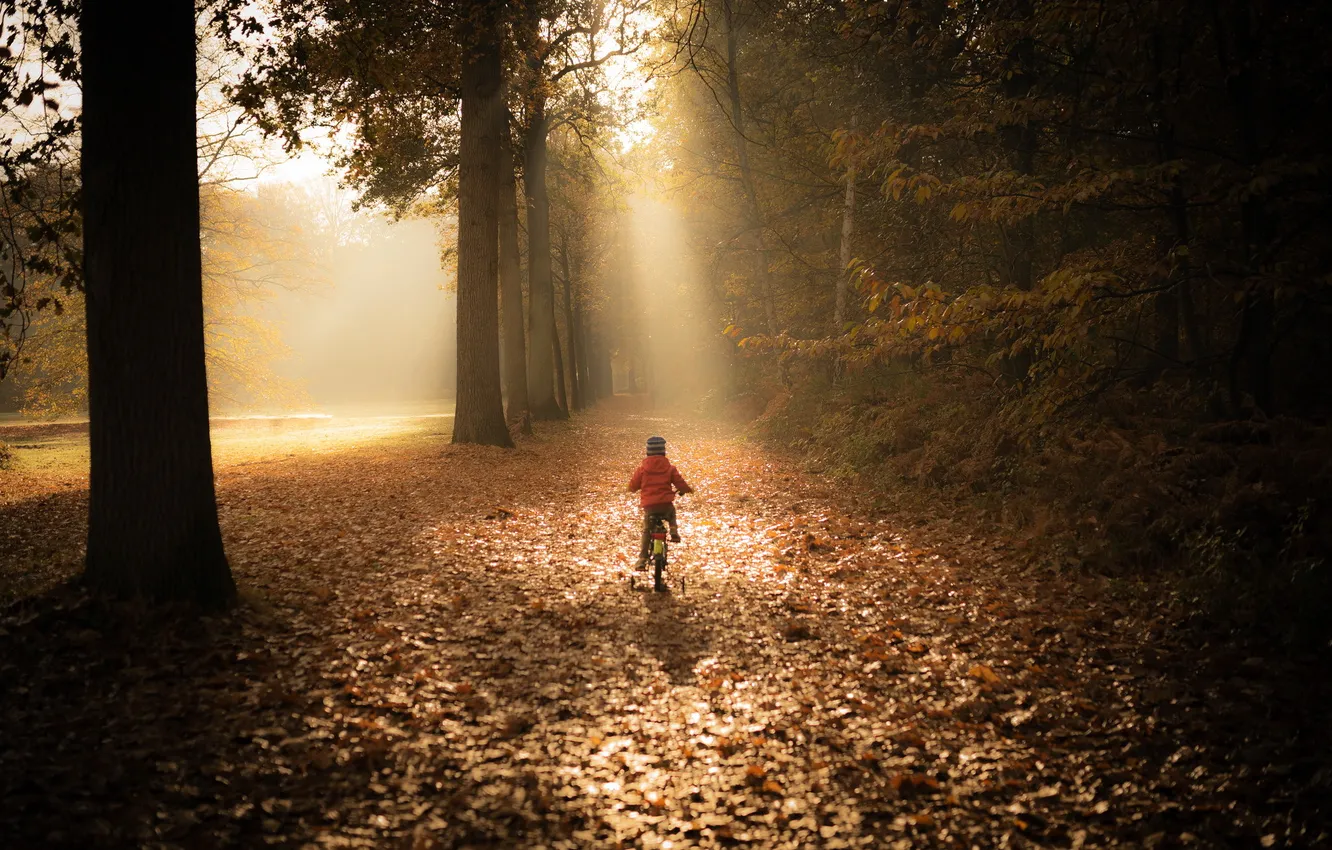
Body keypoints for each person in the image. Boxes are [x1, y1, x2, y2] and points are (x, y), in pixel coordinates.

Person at [628, 435, 693, 570]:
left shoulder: (642, 469)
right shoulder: (670, 468)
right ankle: (673, 530)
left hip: (650, 506)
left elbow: (634, 485)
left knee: (647, 530)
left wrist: (631, 488)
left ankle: (642, 558)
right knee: (671, 512)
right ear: (664, 451)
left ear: (648, 452)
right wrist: (686, 489)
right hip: (665, 505)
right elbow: (679, 482)